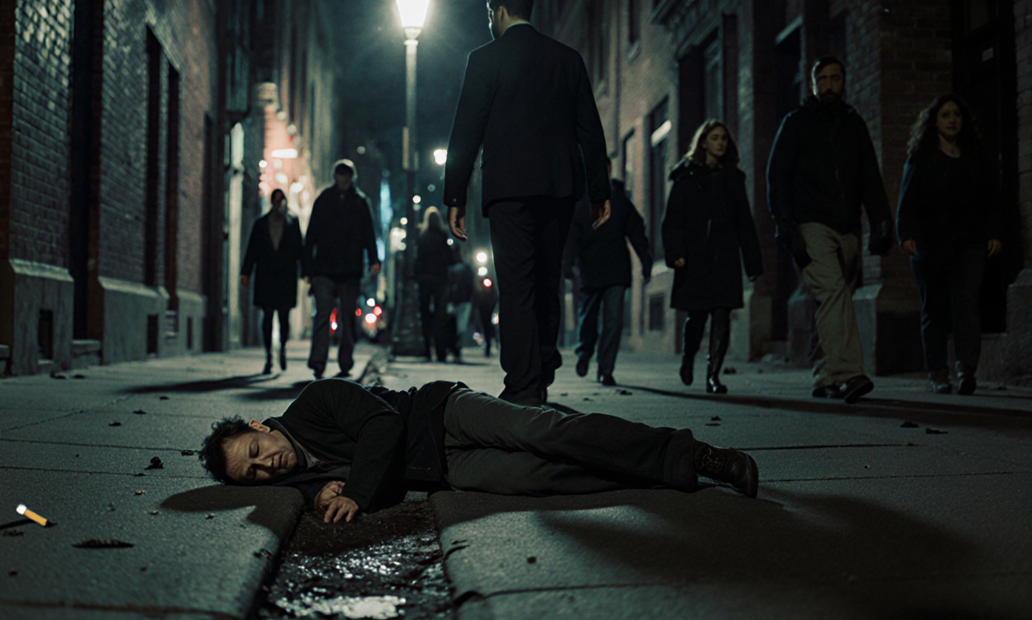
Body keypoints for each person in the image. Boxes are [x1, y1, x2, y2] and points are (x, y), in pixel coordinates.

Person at [198, 378, 760, 523]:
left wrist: (356, 494)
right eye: (253, 475)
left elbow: (382, 424)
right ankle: (657, 473)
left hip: (441, 413)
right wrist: (321, 492)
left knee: (547, 432)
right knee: (539, 479)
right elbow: (310, 490)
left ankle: (693, 456)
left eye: (255, 449)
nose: (266, 465)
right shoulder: (296, 482)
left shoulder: (316, 401)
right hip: (445, 470)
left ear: (259, 425)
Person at [443, 0, 611, 407]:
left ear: (498, 12)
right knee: (547, 279)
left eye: (489, 15)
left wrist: (455, 195)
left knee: (515, 285)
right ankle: (543, 369)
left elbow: (466, 131)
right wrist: (599, 189)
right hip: (558, 187)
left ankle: (522, 382)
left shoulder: (485, 59)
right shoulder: (567, 59)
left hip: (508, 190)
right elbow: (589, 128)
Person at [767, 55, 894, 404]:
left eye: (834, 78)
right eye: (821, 79)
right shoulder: (796, 123)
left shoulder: (854, 124)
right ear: (812, 85)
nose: (828, 85)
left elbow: (870, 176)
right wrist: (785, 224)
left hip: (847, 227)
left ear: (844, 81)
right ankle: (849, 373)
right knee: (834, 292)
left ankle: (824, 376)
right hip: (810, 224)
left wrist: (881, 221)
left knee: (833, 301)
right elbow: (777, 177)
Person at [896, 94, 1002, 395]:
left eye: (956, 114)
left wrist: (994, 232)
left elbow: (991, 198)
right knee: (934, 306)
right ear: (934, 121)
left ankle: (966, 368)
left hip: (969, 241)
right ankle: (938, 371)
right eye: (945, 114)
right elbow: (907, 200)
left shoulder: (976, 156)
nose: (952, 120)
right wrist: (906, 234)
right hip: (930, 243)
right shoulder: (921, 157)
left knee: (966, 303)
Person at [663, 121, 764, 394]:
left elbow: (744, 223)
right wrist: (677, 253)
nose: (720, 143)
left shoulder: (733, 179)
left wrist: (753, 263)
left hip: (725, 258)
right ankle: (688, 358)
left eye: (724, 138)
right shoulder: (685, 178)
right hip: (695, 259)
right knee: (696, 317)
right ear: (703, 142)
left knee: (722, 316)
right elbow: (672, 221)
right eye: (715, 138)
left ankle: (713, 375)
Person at [563, 158, 654, 386]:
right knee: (589, 318)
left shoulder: (619, 200)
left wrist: (645, 259)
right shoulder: (580, 202)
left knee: (613, 321)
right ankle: (584, 352)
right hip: (589, 271)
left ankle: (606, 369)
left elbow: (636, 230)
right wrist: (567, 265)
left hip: (616, 271)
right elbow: (571, 237)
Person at [303, 159, 380, 379]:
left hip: (348, 270)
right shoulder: (325, 199)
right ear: (335, 176)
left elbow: (368, 233)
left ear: (351, 177)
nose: (343, 179)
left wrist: (373, 259)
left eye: (346, 175)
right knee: (323, 316)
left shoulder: (360, 202)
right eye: (340, 174)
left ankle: (345, 360)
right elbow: (311, 235)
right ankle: (319, 361)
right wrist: (308, 268)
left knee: (347, 317)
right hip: (325, 269)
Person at [240, 189, 304, 374]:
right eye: (275, 202)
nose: (278, 206)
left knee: (284, 317)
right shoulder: (260, 224)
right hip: (266, 277)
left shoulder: (293, 224)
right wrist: (246, 272)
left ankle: (282, 348)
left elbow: (300, 250)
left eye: (281, 202)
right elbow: (252, 249)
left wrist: (306, 272)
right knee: (267, 316)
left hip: (286, 278)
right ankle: (268, 354)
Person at [415, 207, 454, 361]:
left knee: (425, 315)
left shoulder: (422, 236)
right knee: (440, 316)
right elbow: (448, 258)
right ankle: (440, 351)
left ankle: (427, 350)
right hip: (439, 279)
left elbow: (418, 259)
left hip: (425, 279)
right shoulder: (442, 235)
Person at [444, 245, 476, 363]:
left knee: (453, 326)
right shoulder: (466, 268)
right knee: (459, 327)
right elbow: (470, 285)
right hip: (463, 300)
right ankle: (456, 350)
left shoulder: (451, 267)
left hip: (455, 300)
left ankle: (454, 349)